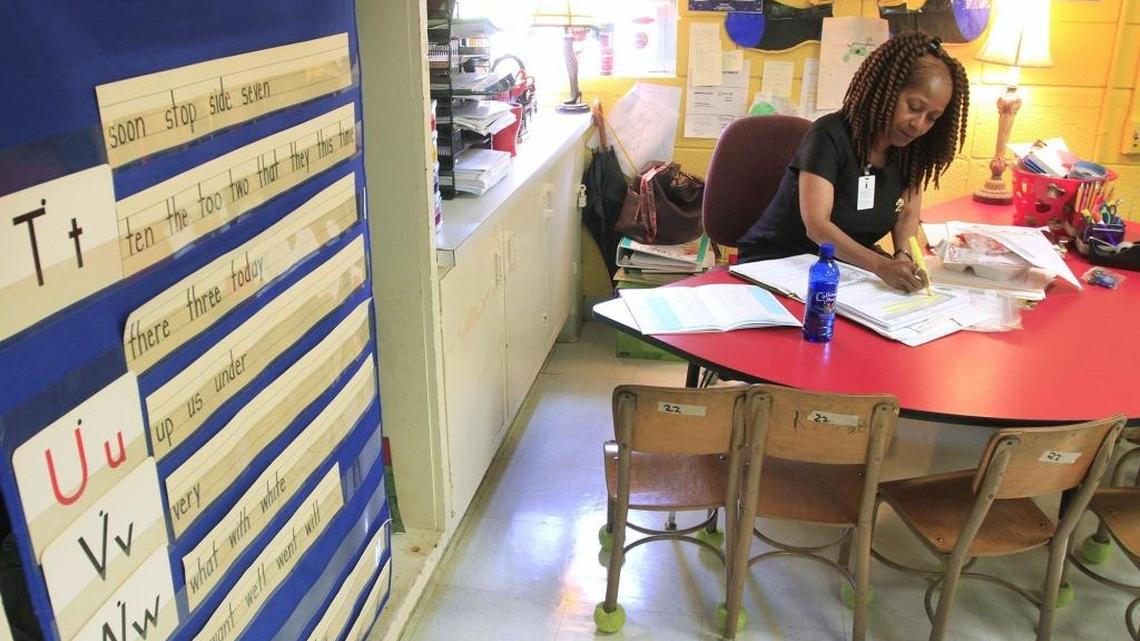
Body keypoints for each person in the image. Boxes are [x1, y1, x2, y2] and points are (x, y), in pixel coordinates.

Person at [736, 32, 969, 292]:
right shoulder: (828, 135)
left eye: (932, 117)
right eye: (914, 107)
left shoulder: (910, 150)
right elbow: (817, 227)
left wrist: (902, 254)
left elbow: (907, 213)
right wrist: (880, 265)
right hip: (779, 264)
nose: (919, 125)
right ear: (887, 92)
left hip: (845, 271)